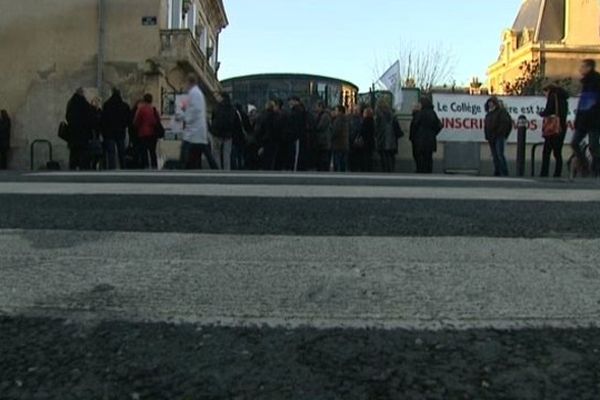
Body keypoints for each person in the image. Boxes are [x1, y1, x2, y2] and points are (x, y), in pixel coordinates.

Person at [178, 74, 218, 170]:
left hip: (194, 131)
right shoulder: (197, 93)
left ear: (189, 82)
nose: (185, 85)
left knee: (186, 153)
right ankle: (214, 169)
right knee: (202, 153)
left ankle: (183, 171)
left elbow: (194, 110)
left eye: (186, 83)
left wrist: (184, 117)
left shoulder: (194, 93)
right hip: (197, 131)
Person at [572, 59, 600, 177]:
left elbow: (592, 103)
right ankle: (584, 166)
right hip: (584, 120)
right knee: (574, 143)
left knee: (593, 146)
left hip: (594, 120)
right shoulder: (585, 83)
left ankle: (595, 168)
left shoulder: (597, 81)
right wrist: (578, 120)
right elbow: (582, 104)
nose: (580, 69)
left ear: (589, 67)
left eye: (583, 67)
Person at [539, 84, 569, 178]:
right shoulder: (564, 99)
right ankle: (557, 173)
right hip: (562, 127)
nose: (545, 96)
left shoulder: (553, 96)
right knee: (557, 151)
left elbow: (548, 111)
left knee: (546, 151)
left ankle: (544, 172)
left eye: (545, 93)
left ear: (548, 90)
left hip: (553, 127)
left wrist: (541, 113)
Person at [409, 97, 443, 174]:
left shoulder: (419, 114)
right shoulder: (433, 113)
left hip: (419, 140)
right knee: (428, 158)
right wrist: (433, 133)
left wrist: (413, 137)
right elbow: (439, 125)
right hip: (430, 140)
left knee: (420, 159)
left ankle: (420, 173)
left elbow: (414, 126)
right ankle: (428, 173)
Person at [65, 88, 95, 170]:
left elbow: (67, 117)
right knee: (83, 155)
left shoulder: (70, 103)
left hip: (73, 134)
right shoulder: (85, 104)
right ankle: (83, 170)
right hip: (83, 135)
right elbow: (90, 119)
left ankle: (72, 169)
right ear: (81, 93)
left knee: (73, 154)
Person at [101, 88, 131, 170]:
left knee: (111, 153)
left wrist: (103, 131)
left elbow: (103, 119)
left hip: (109, 132)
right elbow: (129, 119)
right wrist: (124, 126)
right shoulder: (124, 106)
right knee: (121, 151)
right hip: (120, 131)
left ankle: (112, 168)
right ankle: (123, 167)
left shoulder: (107, 105)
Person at [484, 96, 512, 177]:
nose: (490, 104)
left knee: (500, 154)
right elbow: (486, 126)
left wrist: (500, 133)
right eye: (489, 103)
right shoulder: (488, 114)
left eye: (492, 103)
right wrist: (487, 135)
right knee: (495, 155)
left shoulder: (501, 112)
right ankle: (497, 171)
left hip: (499, 136)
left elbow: (506, 124)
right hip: (491, 137)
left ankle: (504, 172)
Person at [211, 92, 237, 170]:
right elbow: (234, 122)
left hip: (217, 134)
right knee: (227, 155)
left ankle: (218, 170)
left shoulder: (217, 107)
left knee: (216, 153)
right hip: (228, 135)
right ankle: (227, 171)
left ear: (222, 97)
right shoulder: (232, 108)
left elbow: (213, 119)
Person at [133, 93, 159, 169]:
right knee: (152, 151)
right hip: (153, 133)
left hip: (143, 133)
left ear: (144, 100)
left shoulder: (141, 109)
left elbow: (136, 122)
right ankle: (154, 166)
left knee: (144, 151)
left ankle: (146, 165)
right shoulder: (154, 109)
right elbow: (157, 121)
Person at [375, 99, 400, 172]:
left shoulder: (379, 115)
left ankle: (385, 170)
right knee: (391, 155)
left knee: (383, 155)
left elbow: (376, 127)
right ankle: (391, 169)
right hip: (392, 138)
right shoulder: (392, 114)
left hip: (382, 137)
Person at [287, 97, 308, 171]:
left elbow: (296, 125)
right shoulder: (301, 110)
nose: (289, 103)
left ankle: (295, 168)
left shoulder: (297, 111)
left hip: (297, 136)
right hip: (299, 135)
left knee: (296, 153)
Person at [313, 101, 332, 172]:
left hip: (324, 140)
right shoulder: (322, 115)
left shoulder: (325, 116)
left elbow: (320, 127)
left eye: (317, 107)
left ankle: (323, 169)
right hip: (323, 140)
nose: (316, 108)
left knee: (323, 157)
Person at [331, 105, 350, 172]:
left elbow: (335, 131)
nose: (335, 112)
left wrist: (331, 137)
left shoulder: (338, 120)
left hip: (338, 144)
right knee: (343, 163)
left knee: (337, 162)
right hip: (345, 144)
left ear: (340, 111)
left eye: (336, 110)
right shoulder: (346, 119)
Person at [232, 103, 250, 170]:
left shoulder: (233, 114)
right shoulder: (244, 115)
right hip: (242, 137)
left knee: (235, 153)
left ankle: (235, 167)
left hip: (235, 137)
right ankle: (242, 166)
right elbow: (248, 127)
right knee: (241, 153)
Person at [359, 107, 376, 172]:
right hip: (371, 142)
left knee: (365, 157)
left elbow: (362, 131)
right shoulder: (372, 121)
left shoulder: (365, 121)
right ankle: (369, 169)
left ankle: (365, 169)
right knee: (369, 156)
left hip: (365, 142)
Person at [348, 106, 364, 172]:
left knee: (357, 156)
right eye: (354, 110)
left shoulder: (360, 120)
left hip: (356, 140)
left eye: (356, 110)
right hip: (352, 140)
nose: (355, 111)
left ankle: (356, 168)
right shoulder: (353, 119)